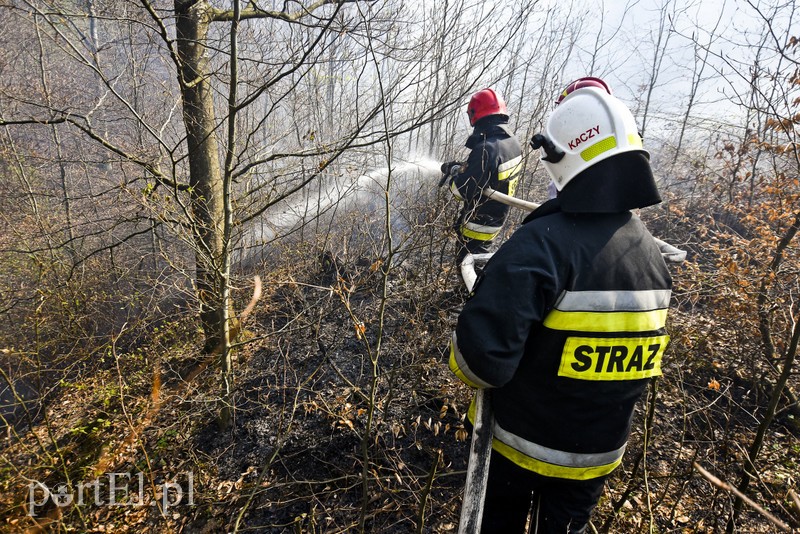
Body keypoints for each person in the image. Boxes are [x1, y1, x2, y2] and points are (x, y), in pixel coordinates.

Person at [448, 77, 673, 533]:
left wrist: (488, 305)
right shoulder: (653, 257)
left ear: (559, 155)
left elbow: (478, 364)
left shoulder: (541, 248)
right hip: (596, 461)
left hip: (517, 452)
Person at [441, 88, 523, 265]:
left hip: (477, 225)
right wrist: (465, 168)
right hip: (496, 218)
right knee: (477, 263)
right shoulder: (511, 143)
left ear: (474, 114)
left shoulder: (487, 149)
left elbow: (460, 192)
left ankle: (468, 292)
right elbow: (489, 174)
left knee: (468, 266)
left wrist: (455, 173)